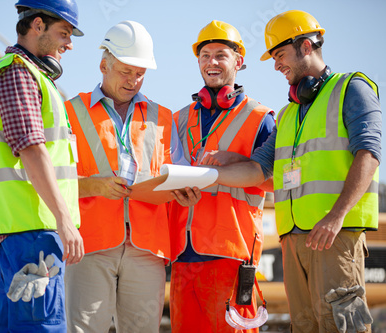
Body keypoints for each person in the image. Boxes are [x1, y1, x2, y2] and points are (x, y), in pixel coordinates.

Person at [205, 10, 381, 333]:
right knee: (305, 325)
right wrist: (213, 173)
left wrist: (336, 214)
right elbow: (257, 170)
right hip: (294, 243)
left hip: (334, 236)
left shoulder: (351, 89)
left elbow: (369, 153)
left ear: (304, 46)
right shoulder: (287, 115)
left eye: (280, 55)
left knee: (340, 325)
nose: (276, 65)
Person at [64, 20, 200, 333]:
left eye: (140, 73)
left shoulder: (161, 116)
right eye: (126, 71)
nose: (133, 80)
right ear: (103, 65)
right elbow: (54, 180)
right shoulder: (71, 112)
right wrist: (95, 185)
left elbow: (174, 173)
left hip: (147, 247)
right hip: (90, 244)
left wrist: (185, 190)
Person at [0, 0, 84, 331]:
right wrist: (65, 221)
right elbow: (32, 151)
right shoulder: (20, 73)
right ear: (37, 26)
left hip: (23, 229)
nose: (69, 43)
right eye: (64, 32)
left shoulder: (27, 75)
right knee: (41, 326)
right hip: (34, 231)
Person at [167, 20, 276, 333]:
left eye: (220, 55)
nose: (211, 62)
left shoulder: (259, 118)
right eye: (204, 55)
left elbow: (274, 182)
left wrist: (238, 163)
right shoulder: (179, 119)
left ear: (238, 61)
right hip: (183, 254)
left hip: (232, 254)